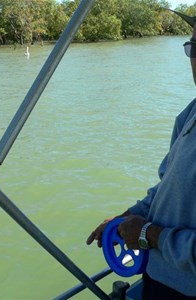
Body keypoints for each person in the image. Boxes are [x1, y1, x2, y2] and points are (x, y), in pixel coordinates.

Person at [87, 10, 196, 300]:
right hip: (158, 279)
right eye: (193, 47)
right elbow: (165, 189)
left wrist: (149, 234)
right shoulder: (190, 114)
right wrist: (129, 217)